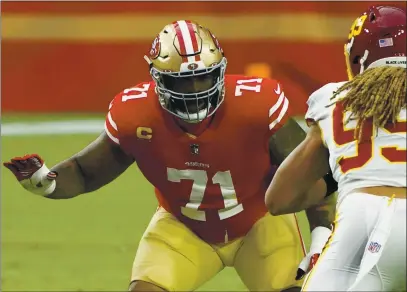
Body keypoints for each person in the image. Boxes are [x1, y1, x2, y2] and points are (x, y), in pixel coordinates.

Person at [4, 20, 336, 292]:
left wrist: (322, 233)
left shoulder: (256, 105)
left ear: (220, 72)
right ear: (157, 79)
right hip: (183, 227)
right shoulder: (136, 115)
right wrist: (46, 184)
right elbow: (87, 171)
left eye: (202, 78)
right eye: (183, 82)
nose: (195, 92)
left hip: (260, 223)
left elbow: (311, 171)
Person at [265, 5, 406, 291]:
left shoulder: (333, 98)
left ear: (358, 56)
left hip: (357, 214)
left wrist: (336, 175)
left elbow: (279, 199)